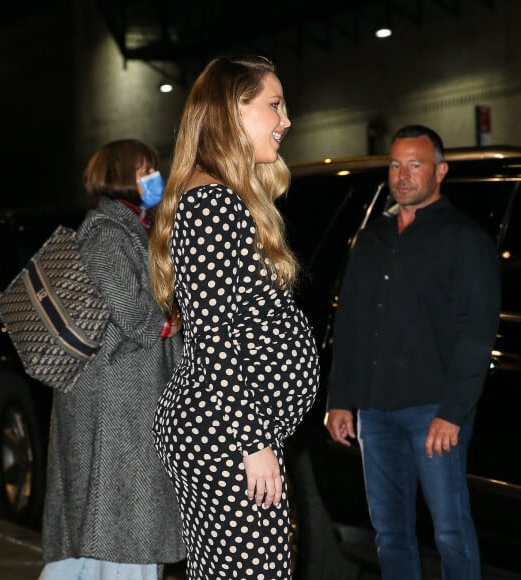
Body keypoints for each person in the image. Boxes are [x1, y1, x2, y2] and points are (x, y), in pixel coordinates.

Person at [149, 55, 320, 579]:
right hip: (229, 435)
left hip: (226, 431)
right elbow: (211, 337)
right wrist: (254, 442)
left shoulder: (216, 197)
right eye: (274, 105)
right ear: (233, 111)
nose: (286, 120)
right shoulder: (213, 203)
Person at [325, 124, 500, 580]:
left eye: (415, 165)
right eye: (395, 165)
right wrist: (340, 399)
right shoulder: (372, 238)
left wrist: (453, 412)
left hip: (433, 413)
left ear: (439, 171)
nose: (403, 175)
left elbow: (476, 334)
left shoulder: (465, 240)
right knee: (389, 532)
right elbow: (352, 324)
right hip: (376, 414)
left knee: (450, 533)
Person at [39, 139, 185, 579]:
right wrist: (169, 322)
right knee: (123, 521)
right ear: (122, 175)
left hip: (122, 398)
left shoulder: (133, 227)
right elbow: (133, 313)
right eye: (146, 169)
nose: (155, 178)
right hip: (115, 402)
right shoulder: (106, 230)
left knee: (106, 527)